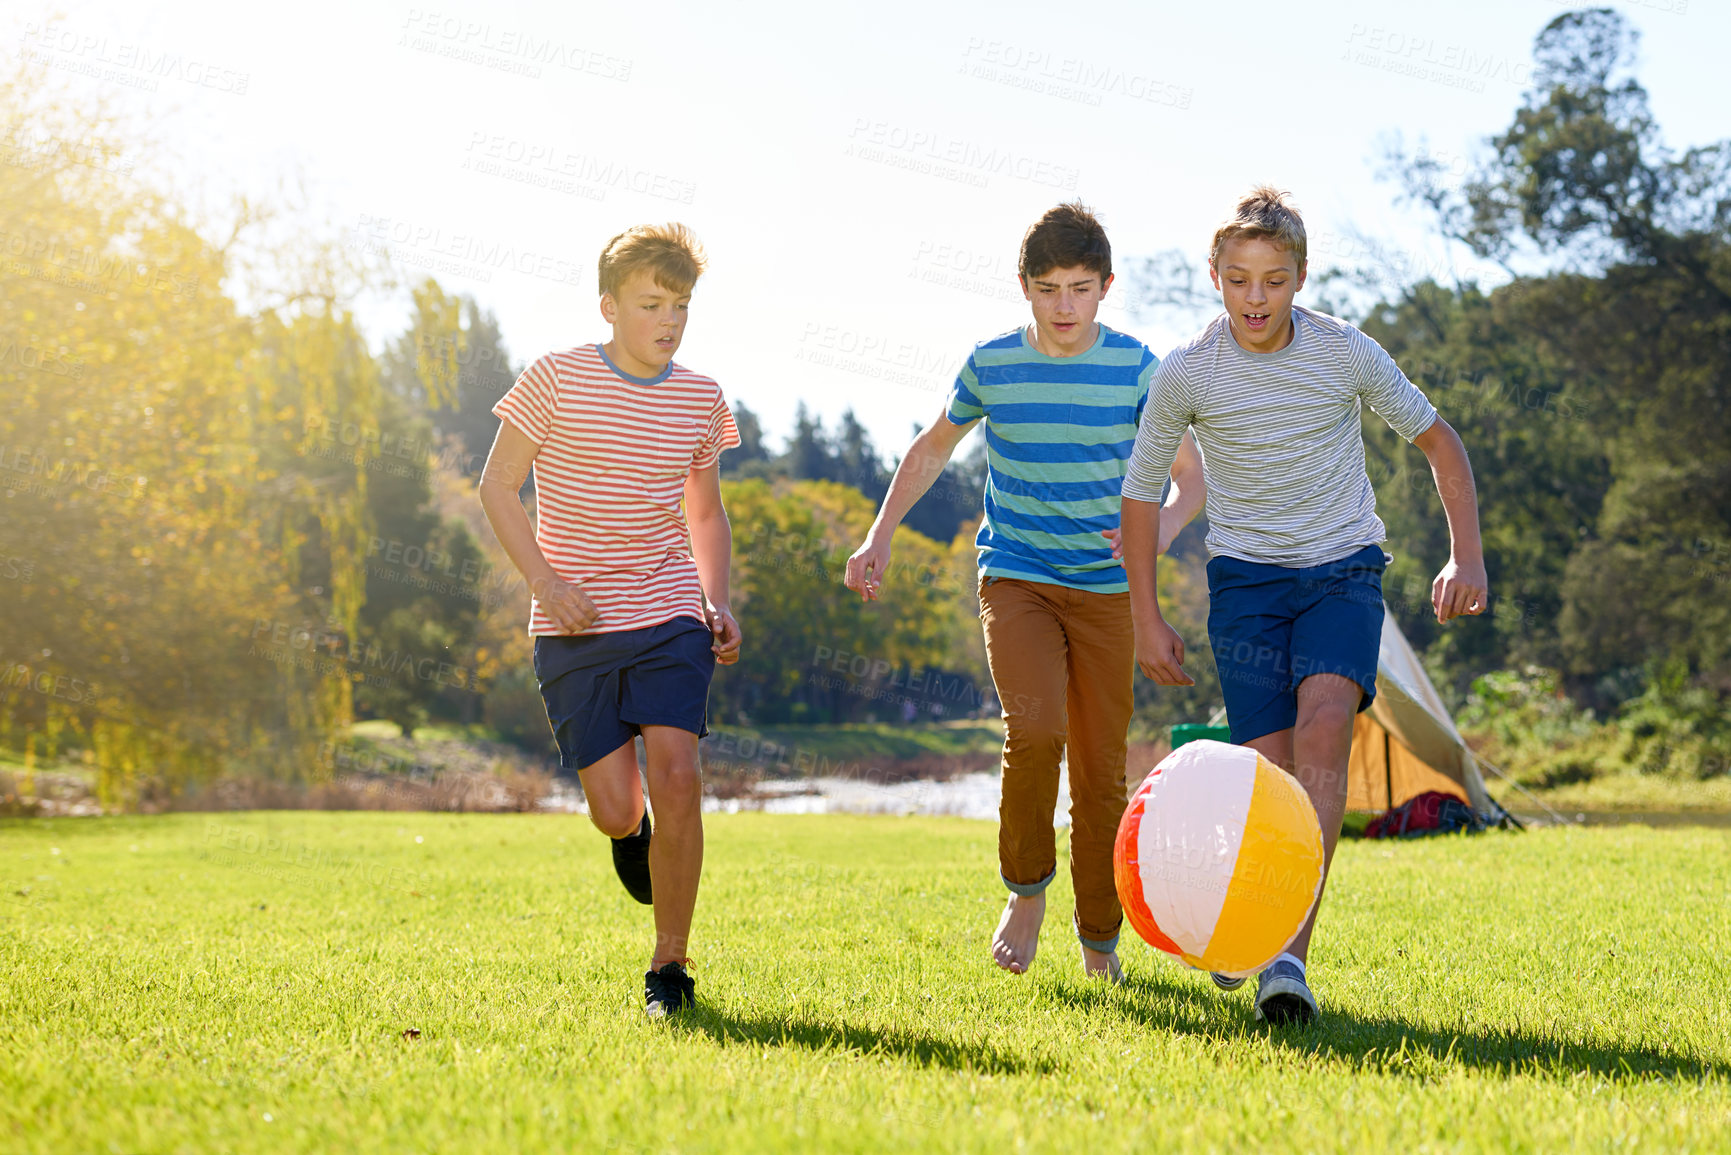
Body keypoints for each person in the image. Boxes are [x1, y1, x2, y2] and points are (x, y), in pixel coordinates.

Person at [1119, 186, 1489, 1024]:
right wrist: (1146, 617)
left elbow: (1438, 440)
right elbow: (1141, 498)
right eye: (1240, 279)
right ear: (1214, 276)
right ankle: (1241, 917)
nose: (1256, 299)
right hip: (1245, 583)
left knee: (1326, 728)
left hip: (1341, 570)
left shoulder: (1344, 353)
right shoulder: (1185, 371)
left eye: (1274, 281)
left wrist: (1465, 553)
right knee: (1270, 775)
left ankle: (1286, 954)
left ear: (1300, 278)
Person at [844, 202, 1204, 982]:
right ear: (1024, 288)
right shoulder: (991, 364)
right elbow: (933, 446)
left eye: (1080, 288)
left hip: (1107, 588)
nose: (1064, 306)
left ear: (1105, 287)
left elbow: (1190, 476)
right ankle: (1025, 889)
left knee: (1103, 770)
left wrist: (1165, 529)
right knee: (1035, 731)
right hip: (1017, 577)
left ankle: (1099, 938)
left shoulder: (1138, 367)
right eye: (1048, 289)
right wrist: (879, 534)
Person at [478, 223, 742, 1019]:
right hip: (574, 628)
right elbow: (495, 487)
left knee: (679, 774)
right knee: (616, 807)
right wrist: (545, 582)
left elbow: (707, 513)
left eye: (681, 305)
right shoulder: (552, 380)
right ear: (609, 306)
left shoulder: (701, 398)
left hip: (668, 614)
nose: (669, 320)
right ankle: (632, 837)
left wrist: (716, 598)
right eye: (651, 304)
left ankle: (670, 964)